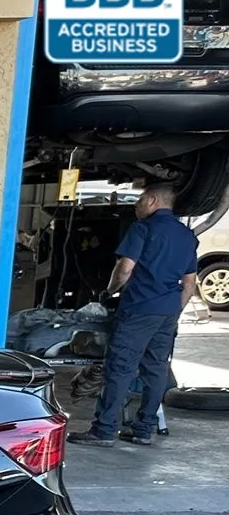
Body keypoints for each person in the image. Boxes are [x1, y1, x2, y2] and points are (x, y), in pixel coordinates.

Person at [71, 182, 199, 448]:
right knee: (156, 369)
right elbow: (189, 284)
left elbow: (125, 269)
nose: (136, 206)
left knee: (120, 368)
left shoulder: (143, 228)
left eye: (140, 200)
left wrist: (109, 291)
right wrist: (174, 311)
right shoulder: (187, 236)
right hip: (167, 312)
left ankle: (103, 431)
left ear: (152, 200)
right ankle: (144, 430)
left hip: (139, 308)